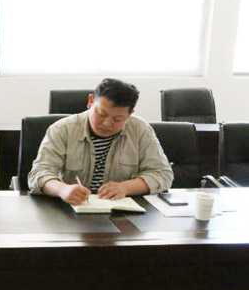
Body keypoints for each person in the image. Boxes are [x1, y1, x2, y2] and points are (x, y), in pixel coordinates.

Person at [28, 78, 173, 205]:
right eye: (101, 114)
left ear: (130, 114)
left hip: (122, 211)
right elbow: (39, 173)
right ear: (90, 102)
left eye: (118, 119)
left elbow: (162, 173)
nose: (107, 124)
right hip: (71, 209)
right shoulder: (62, 129)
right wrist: (63, 190)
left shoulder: (140, 130)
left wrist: (125, 187)